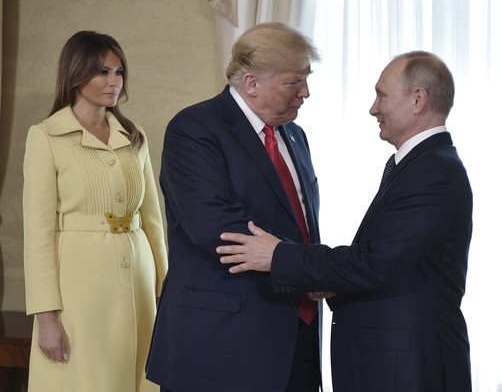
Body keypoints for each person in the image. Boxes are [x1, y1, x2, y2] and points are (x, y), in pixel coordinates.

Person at [217, 51, 473, 392]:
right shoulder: (422, 164)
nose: (373, 108)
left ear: (417, 99)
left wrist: (278, 255)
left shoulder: (432, 170)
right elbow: (393, 260)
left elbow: (376, 262)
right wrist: (331, 281)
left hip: (409, 367)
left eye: (382, 95)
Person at [145, 22, 324, 392]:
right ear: (252, 83)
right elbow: (218, 228)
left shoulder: (295, 134)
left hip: (296, 336)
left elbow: (301, 222)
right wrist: (311, 270)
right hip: (221, 345)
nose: (306, 92)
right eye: (294, 82)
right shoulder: (194, 129)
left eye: (306, 80)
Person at [23, 30, 168, 392]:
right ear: (76, 73)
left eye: (119, 73)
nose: (114, 82)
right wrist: (46, 317)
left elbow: (153, 221)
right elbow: (38, 234)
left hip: (138, 284)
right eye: (103, 72)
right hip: (79, 291)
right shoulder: (46, 136)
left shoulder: (135, 137)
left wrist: (167, 291)